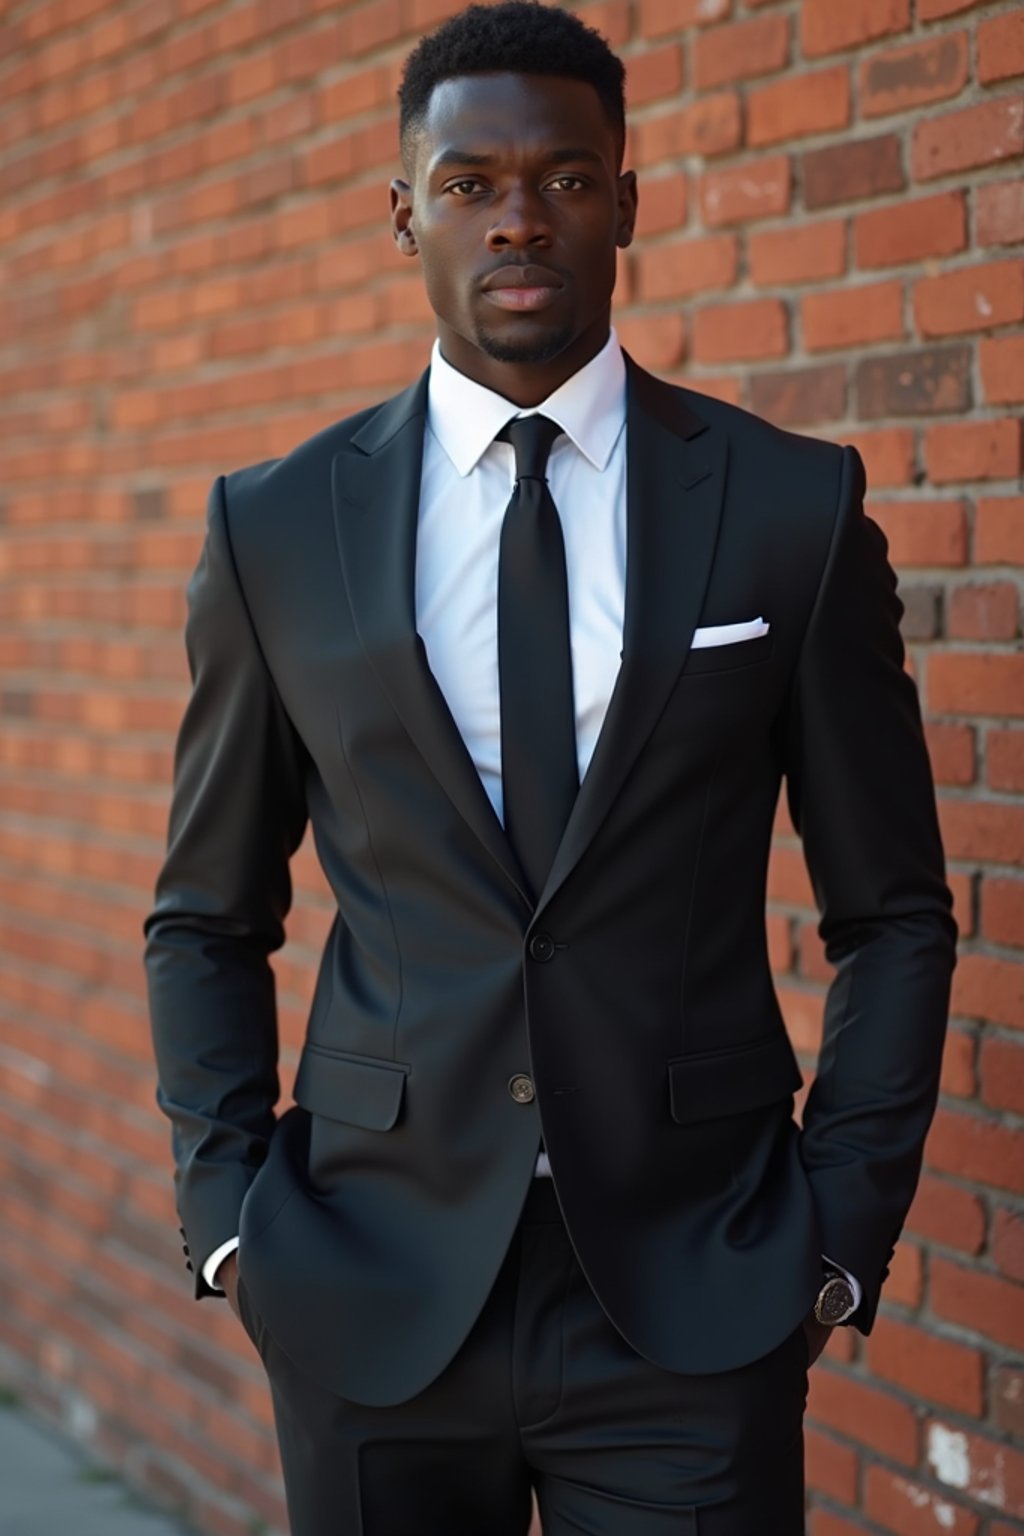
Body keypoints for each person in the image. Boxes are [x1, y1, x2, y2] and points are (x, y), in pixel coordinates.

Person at [144, 4, 957, 1532]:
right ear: (404, 213)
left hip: (693, 1291)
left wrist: (836, 1234)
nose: (521, 218)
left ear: (629, 202)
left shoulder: (788, 508)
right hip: (369, 1282)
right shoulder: (276, 527)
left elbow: (895, 914)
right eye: (470, 183)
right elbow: (205, 912)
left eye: (568, 178)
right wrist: (231, 1226)